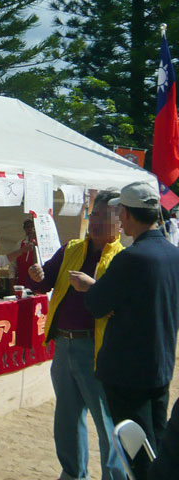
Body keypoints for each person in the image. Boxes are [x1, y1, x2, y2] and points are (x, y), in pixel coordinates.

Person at [69, 181, 179, 479]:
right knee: (158, 444)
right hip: (161, 364)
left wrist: (91, 287)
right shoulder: (173, 254)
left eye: (121, 212)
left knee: (137, 453)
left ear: (128, 215)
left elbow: (97, 304)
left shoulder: (131, 258)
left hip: (128, 370)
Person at [26, 190, 126, 480]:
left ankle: (114, 476)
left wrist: (93, 287)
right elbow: (45, 282)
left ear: (120, 223)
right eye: (93, 214)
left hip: (98, 349)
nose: (95, 222)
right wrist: (37, 275)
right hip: (64, 344)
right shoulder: (71, 249)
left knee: (106, 421)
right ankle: (72, 474)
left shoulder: (122, 259)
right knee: (67, 418)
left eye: (103, 216)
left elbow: (124, 306)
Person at [14, 218, 37, 286]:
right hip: (22, 283)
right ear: (24, 229)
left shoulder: (40, 244)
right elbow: (13, 265)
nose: (30, 229)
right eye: (27, 227)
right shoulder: (19, 244)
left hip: (37, 284)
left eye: (32, 227)